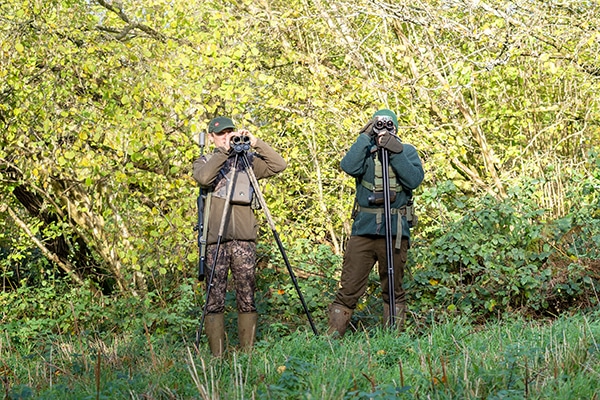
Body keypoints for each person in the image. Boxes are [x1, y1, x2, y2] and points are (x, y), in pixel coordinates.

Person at [193, 116, 287, 356]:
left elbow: (279, 165)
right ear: (212, 137)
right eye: (221, 134)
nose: (227, 137)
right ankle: (217, 356)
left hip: (244, 239)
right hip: (216, 240)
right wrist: (223, 153)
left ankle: (248, 354)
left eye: (230, 133)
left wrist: (255, 142)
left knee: (247, 294)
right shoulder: (206, 160)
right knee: (214, 297)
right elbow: (203, 178)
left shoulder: (247, 162)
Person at [328, 109, 424, 337]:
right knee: (349, 287)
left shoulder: (406, 151)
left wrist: (395, 150)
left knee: (393, 289)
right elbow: (348, 167)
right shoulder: (365, 151)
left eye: (389, 125)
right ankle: (331, 339)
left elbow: (414, 180)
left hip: (395, 231)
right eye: (379, 124)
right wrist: (365, 135)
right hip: (364, 230)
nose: (384, 128)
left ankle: (392, 341)